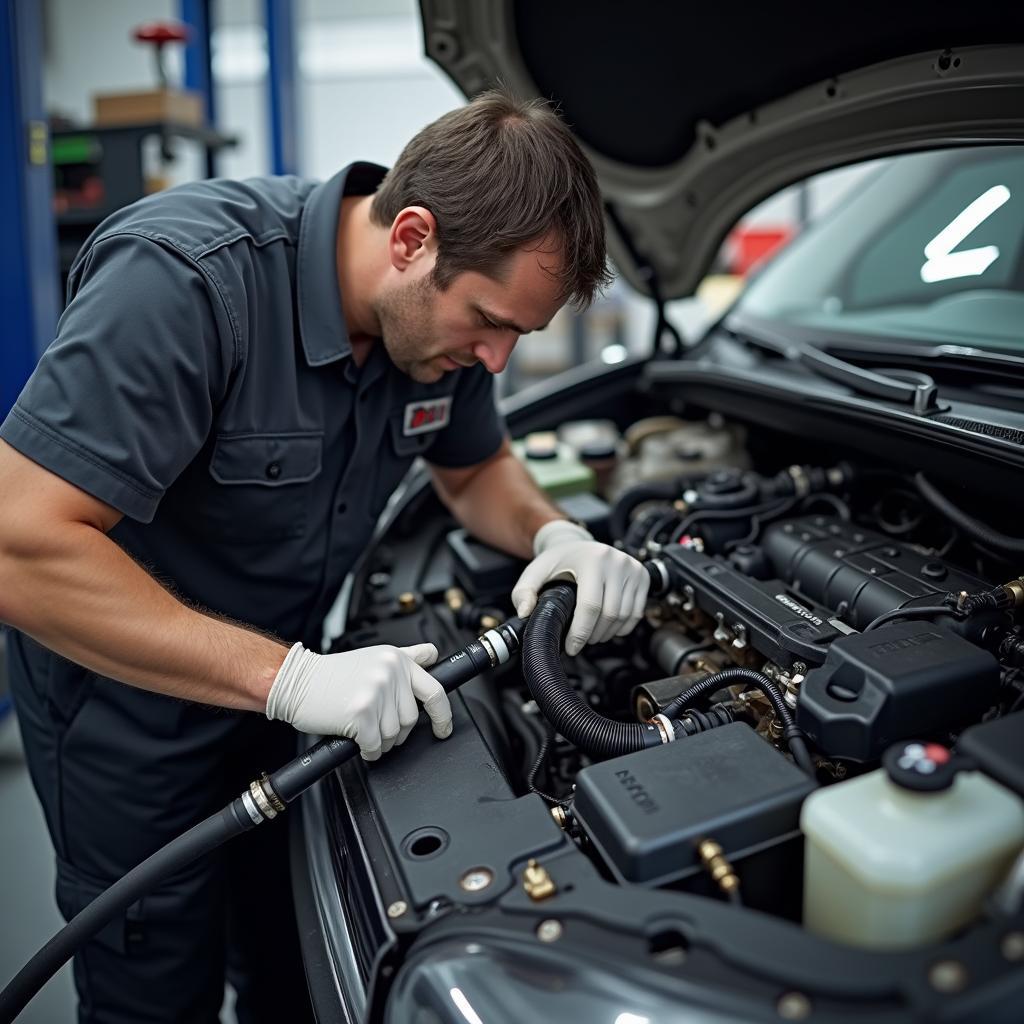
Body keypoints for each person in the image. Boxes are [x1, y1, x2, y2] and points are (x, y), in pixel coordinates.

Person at [0, 90, 649, 1023]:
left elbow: (475, 473)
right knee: (157, 992)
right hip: (132, 723)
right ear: (412, 238)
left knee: (287, 959)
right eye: (490, 320)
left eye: (521, 335)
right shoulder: (186, 279)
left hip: (294, 695)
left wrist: (559, 537)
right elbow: (18, 548)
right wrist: (291, 680)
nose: (499, 360)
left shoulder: (433, 335)